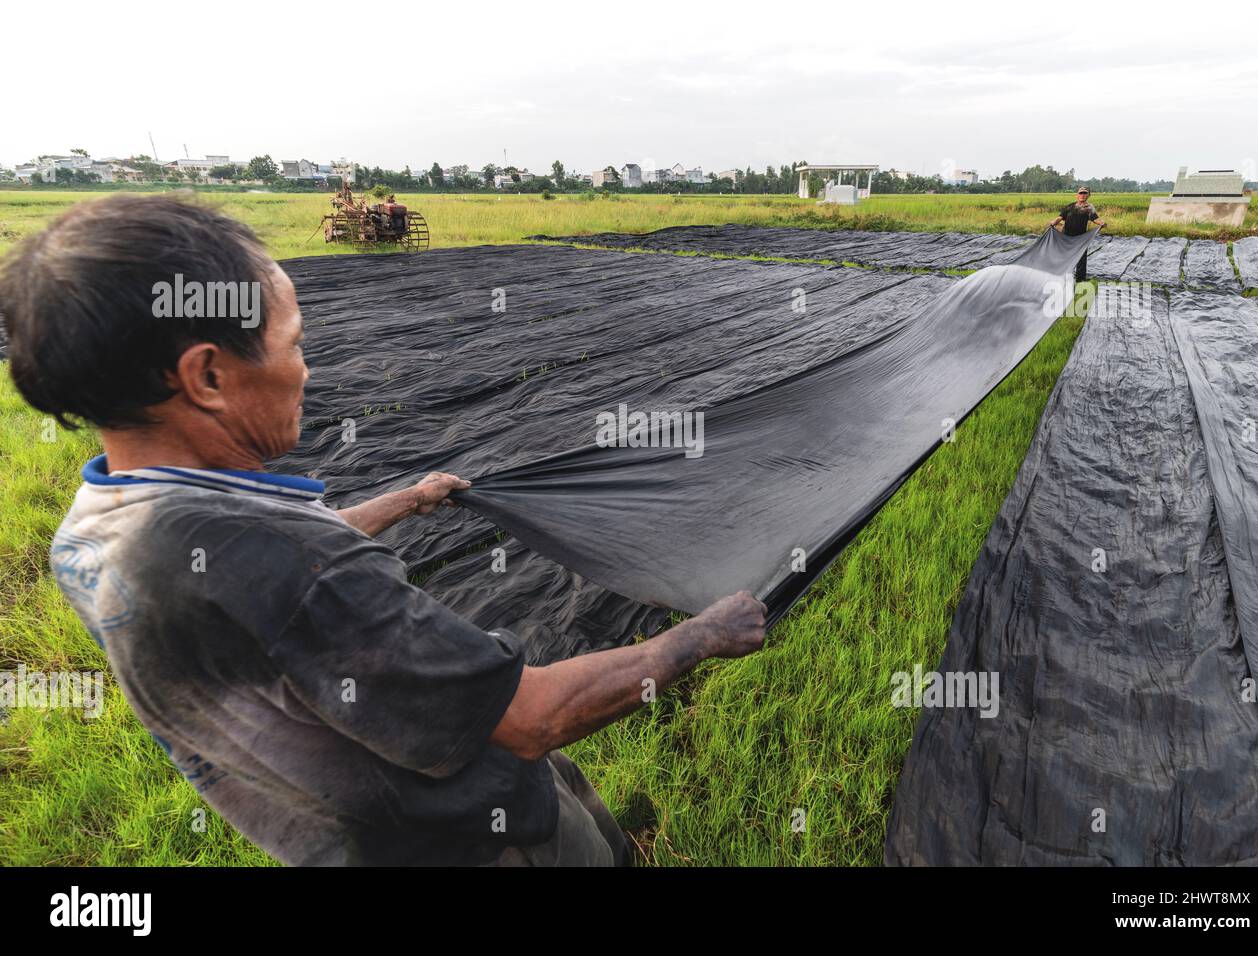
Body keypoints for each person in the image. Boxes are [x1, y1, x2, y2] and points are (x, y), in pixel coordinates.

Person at [0, 194, 767, 867]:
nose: (307, 369)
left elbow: (267, 581)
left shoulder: (99, 523)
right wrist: (697, 637)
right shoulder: (296, 569)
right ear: (206, 376)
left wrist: (405, 500)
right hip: (471, 841)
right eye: (295, 343)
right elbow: (533, 720)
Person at [1049, 186, 1107, 281]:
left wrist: (1102, 223)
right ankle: (1064, 275)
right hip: (1066, 236)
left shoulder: (1089, 208)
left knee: (1081, 258)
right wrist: (1053, 223)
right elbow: (1060, 217)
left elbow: (1095, 219)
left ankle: (1080, 279)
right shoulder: (1070, 206)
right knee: (1065, 257)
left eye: (1085, 193)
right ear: (1077, 195)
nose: (1082, 195)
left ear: (1088, 195)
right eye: (1081, 193)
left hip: (1081, 238)